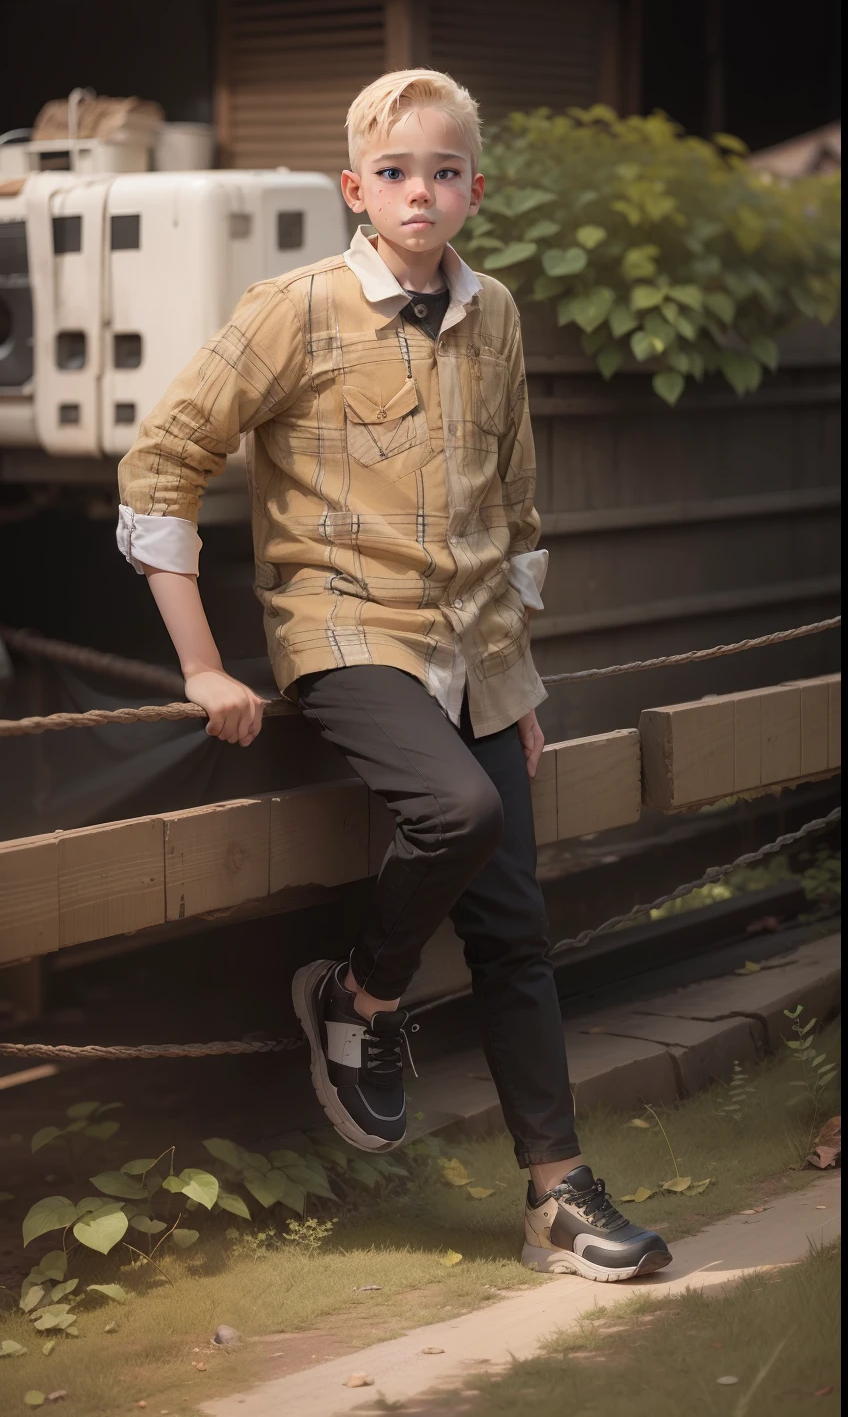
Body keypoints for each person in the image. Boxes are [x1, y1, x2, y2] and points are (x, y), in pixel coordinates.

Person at [116, 69, 671, 1282]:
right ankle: (360, 1001)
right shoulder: (295, 309)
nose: (421, 191)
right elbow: (162, 460)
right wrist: (205, 665)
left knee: (517, 928)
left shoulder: (499, 314)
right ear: (354, 188)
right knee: (457, 810)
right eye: (397, 172)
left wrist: (511, 684)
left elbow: (514, 511)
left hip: (474, 652)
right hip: (343, 631)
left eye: (445, 170)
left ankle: (552, 1200)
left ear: (476, 185)